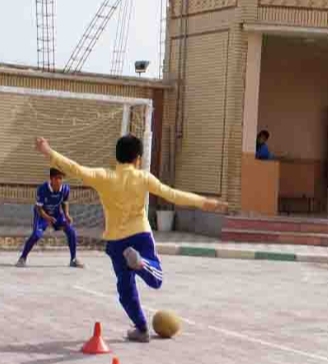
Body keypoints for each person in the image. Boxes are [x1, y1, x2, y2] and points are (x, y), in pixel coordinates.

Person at [34, 134, 227, 342]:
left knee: (125, 289)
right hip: (140, 235)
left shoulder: (104, 176)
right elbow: (171, 194)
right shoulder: (143, 177)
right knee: (156, 279)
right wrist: (203, 202)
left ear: (116, 157)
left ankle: (142, 329)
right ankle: (142, 264)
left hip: (117, 242)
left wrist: (48, 152)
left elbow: (76, 169)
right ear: (138, 158)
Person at [16, 167, 83, 268]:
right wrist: (47, 218)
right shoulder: (42, 189)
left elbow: (65, 202)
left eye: (61, 178)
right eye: (57, 178)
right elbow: (38, 208)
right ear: (51, 179)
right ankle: (22, 258)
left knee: (71, 231)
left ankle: (73, 260)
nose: (59, 181)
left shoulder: (65, 189)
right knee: (36, 235)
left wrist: (66, 214)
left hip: (56, 214)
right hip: (42, 214)